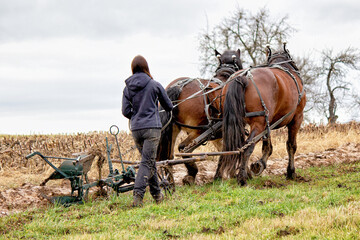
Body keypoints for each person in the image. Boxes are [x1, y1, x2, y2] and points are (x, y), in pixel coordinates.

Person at [122, 55, 173, 207]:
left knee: (149, 162)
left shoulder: (127, 87)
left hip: (136, 129)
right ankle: (138, 196)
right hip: (152, 129)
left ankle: (157, 195)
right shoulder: (154, 84)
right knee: (147, 162)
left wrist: (136, 115)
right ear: (146, 67)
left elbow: (125, 111)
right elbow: (168, 106)